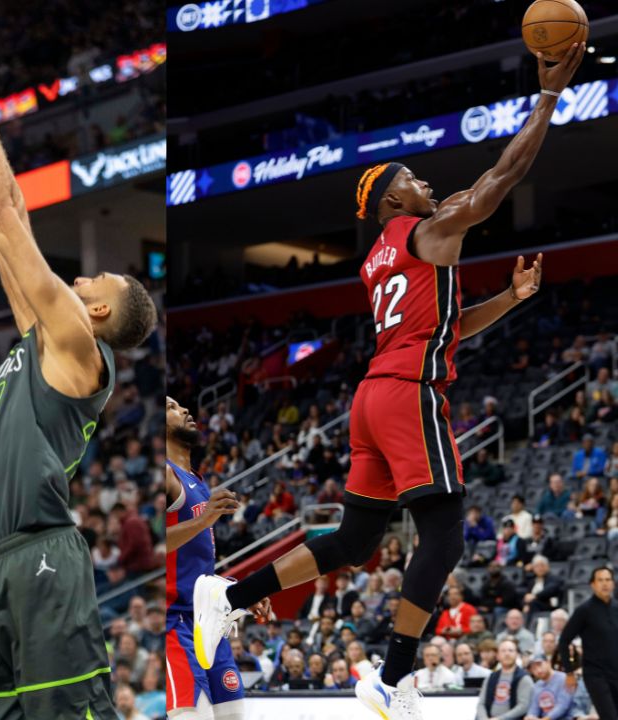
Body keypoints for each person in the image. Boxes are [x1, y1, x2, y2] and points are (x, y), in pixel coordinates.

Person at [192, 38, 580, 720]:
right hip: (407, 396)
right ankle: (394, 678)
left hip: (372, 396)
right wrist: (548, 95)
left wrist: (512, 301)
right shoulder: (424, 231)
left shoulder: (379, 258)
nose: (430, 184)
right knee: (447, 537)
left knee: (354, 542)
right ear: (392, 194)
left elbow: (446, 329)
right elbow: (503, 176)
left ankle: (225, 595)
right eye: (418, 179)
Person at [0, 15, 157, 718]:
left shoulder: (77, 347)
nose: (86, 279)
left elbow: (2, 216)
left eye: (99, 283)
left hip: (40, 557)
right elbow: (11, 227)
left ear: (96, 316)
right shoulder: (42, 337)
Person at [165, 397, 270, 719]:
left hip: (206, 622)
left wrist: (240, 594)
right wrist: (203, 519)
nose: (184, 410)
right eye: (170, 407)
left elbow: (198, 568)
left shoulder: (195, 478)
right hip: (173, 624)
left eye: (181, 406)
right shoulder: (167, 474)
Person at [554, 567, 618, 720]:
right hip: (596, 675)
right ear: (592, 585)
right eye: (600, 580)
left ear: (613, 584)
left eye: (608, 580)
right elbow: (564, 640)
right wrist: (569, 672)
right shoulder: (584, 610)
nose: (605, 584)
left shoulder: (617, 608)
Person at [478, 639, 535, 720]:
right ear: (497, 656)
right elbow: (481, 704)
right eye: (503, 651)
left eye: (511, 650)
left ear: (517, 655)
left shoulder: (524, 678)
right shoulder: (491, 677)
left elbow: (524, 706)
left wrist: (500, 718)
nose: (507, 654)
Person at [526, 654, 573, 720]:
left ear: (548, 662)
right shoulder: (536, 686)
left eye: (539, 665)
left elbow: (562, 706)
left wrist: (545, 719)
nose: (538, 670)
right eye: (534, 669)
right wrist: (530, 717)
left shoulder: (564, 679)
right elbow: (533, 708)